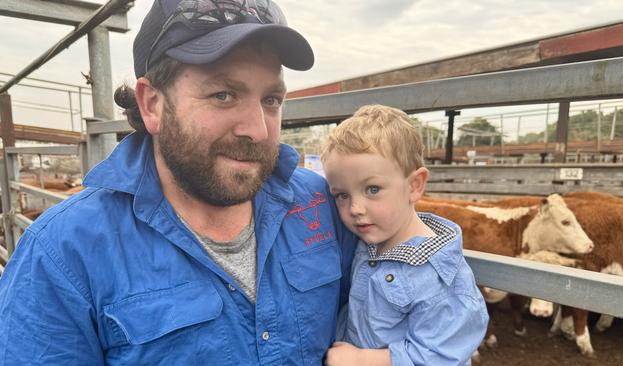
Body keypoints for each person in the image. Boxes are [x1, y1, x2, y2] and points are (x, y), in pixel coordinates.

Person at [0, 1, 356, 364]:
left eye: (271, 99)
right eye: (223, 95)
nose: (258, 129)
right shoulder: (62, 255)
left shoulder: (324, 203)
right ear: (152, 104)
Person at [320, 105, 488, 366]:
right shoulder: (369, 241)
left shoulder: (442, 280)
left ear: (414, 185)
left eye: (372, 189)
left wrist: (361, 359)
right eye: (342, 195)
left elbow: (441, 357)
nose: (355, 209)